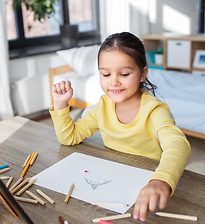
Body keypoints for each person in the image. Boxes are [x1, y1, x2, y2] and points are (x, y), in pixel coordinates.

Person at [50, 32, 191, 222]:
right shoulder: (102, 107)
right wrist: (60, 104)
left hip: (147, 189)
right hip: (113, 184)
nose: (114, 81)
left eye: (124, 74)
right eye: (105, 74)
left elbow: (178, 144)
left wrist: (161, 181)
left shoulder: (155, 111)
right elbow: (69, 138)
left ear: (143, 74)